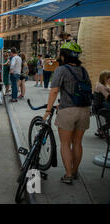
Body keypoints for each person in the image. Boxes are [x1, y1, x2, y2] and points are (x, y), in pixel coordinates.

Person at [44, 42, 92, 184]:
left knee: (65, 144)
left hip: (67, 111)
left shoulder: (61, 70)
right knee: (77, 143)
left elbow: (54, 91)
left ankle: (68, 174)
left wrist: (48, 110)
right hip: (84, 110)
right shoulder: (83, 70)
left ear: (64, 56)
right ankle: (75, 171)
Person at [94, 70, 110, 138]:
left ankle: (102, 130)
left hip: (103, 106)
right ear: (105, 78)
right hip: (100, 108)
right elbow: (108, 97)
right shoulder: (100, 86)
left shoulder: (103, 85)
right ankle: (101, 130)